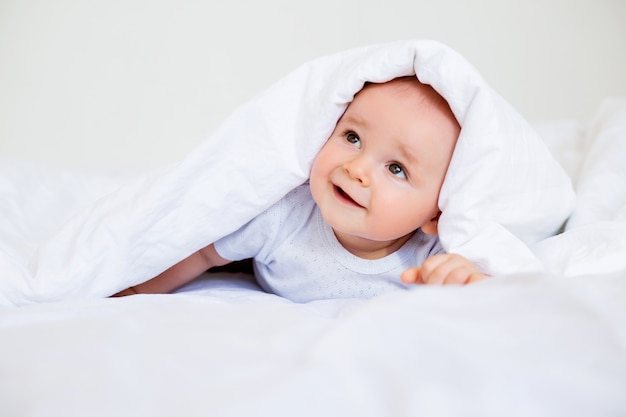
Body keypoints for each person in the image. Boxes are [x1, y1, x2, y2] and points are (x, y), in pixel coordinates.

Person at [114, 77, 488, 301]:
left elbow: (500, 297)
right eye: (353, 137)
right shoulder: (283, 214)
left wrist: (468, 281)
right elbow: (203, 253)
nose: (355, 168)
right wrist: (134, 291)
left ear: (436, 215)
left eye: (395, 168)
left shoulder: (432, 256)